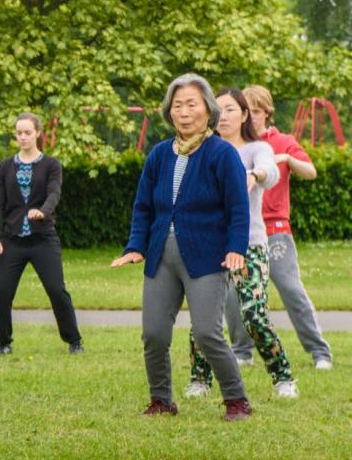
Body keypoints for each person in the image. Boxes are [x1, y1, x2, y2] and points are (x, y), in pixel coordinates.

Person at [112, 73, 251, 421]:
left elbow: (238, 207)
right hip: (161, 257)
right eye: (177, 105)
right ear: (168, 111)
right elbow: (143, 206)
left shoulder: (221, 153)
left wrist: (237, 248)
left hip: (206, 257)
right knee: (154, 334)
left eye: (192, 104)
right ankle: (161, 400)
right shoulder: (159, 155)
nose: (184, 112)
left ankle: (237, 400)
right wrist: (135, 246)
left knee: (206, 333)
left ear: (208, 109)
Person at [184, 88, 298, 399]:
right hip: (211, 246)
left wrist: (255, 174)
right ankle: (199, 380)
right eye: (218, 109)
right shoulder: (203, 150)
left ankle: (283, 377)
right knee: (202, 319)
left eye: (231, 109)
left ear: (245, 114)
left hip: (249, 245)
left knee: (254, 314)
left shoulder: (256, 149)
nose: (224, 115)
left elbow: (271, 169)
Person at [236, 85, 334, 370]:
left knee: (290, 289)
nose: (250, 117)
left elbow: (311, 171)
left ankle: (319, 352)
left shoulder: (282, 141)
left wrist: (288, 159)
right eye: (246, 111)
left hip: (275, 230)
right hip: (243, 230)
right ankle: (242, 351)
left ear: (266, 113)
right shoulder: (234, 145)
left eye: (255, 111)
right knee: (236, 294)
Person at [0, 112, 83, 356]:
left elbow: (54, 193)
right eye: (19, 133)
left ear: (38, 133)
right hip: (12, 240)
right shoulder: (5, 167)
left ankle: (74, 341)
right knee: (0, 293)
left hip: (43, 239)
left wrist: (43, 211)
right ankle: (4, 342)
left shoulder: (51, 165)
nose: (23, 137)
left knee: (56, 290)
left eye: (27, 132)